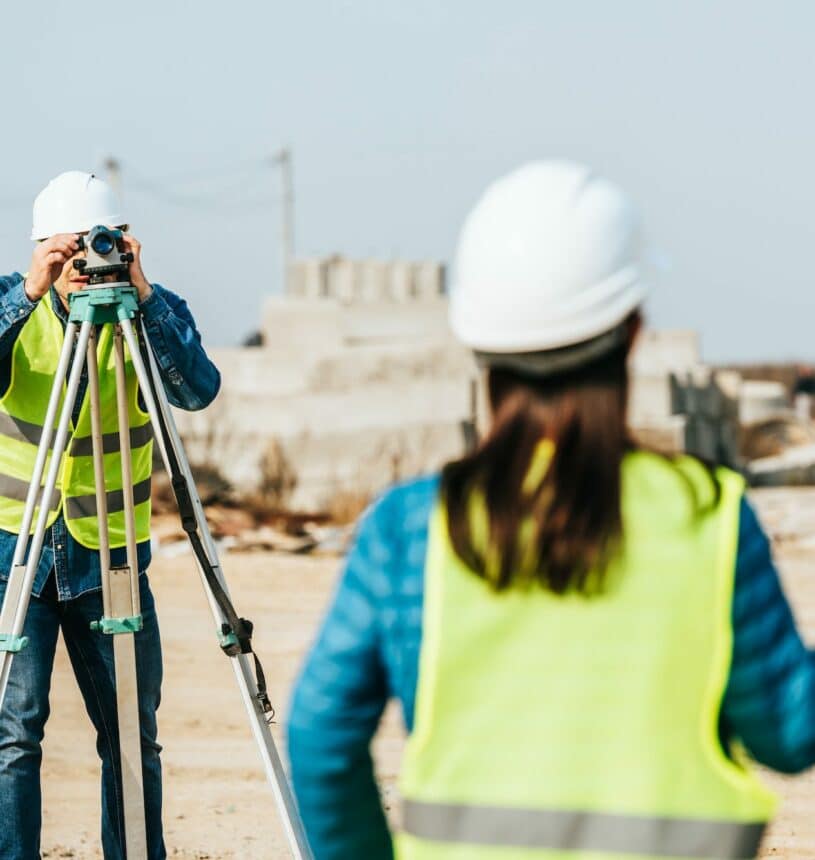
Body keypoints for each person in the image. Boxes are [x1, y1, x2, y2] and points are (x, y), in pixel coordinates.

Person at [288, 160, 815, 859]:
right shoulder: (706, 517)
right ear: (630, 332)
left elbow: (319, 734)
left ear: (479, 342)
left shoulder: (411, 528)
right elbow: (787, 732)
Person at [0, 171, 220, 860]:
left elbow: (197, 391)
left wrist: (145, 295)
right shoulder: (15, 309)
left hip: (111, 556)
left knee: (130, 731)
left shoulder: (145, 312)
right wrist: (29, 292)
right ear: (42, 250)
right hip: (18, 553)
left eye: (99, 248)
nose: (83, 267)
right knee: (13, 734)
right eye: (68, 253)